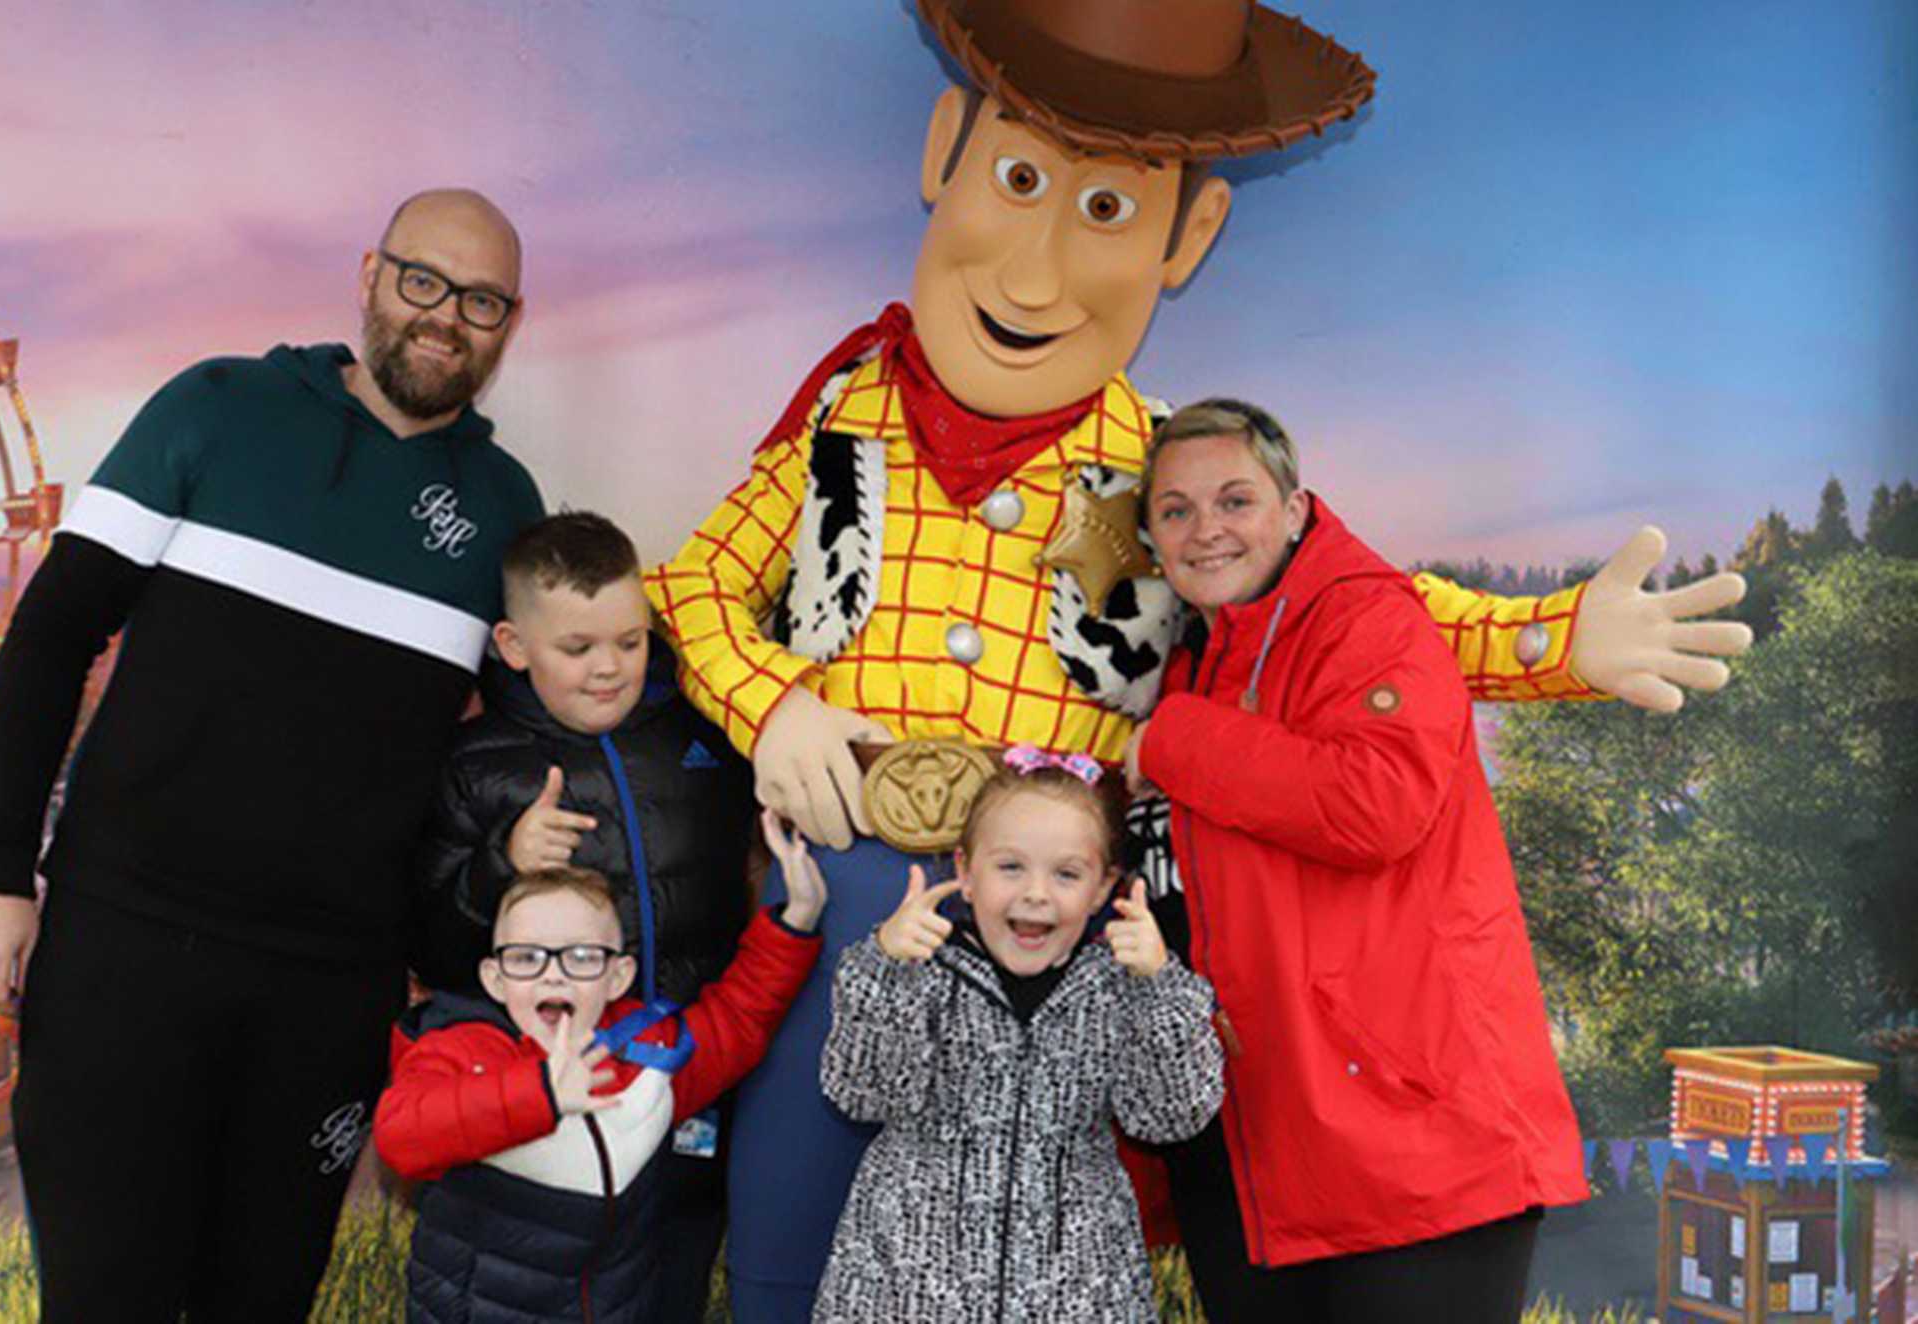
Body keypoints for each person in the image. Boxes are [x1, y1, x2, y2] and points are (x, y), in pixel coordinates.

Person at [642, 4, 1752, 1315]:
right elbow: (698, 582)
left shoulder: (1152, 480)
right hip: (857, 894)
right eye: (1017, 181)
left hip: (1051, 911)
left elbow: (1346, 613)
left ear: (1187, 237)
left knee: (1034, 1241)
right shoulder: (844, 416)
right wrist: (770, 706)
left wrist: (1555, 638)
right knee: (794, 1222)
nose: (1038, 275)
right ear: (945, 149)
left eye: (1106, 210)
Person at [0, 188, 544, 1321]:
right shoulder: (217, 407)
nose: (443, 317)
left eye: (478, 300)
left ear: (509, 322)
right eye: (423, 281)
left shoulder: (505, 510)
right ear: (371, 274)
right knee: (105, 1300)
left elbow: (532, 727)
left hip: (324, 991)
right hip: (120, 946)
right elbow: (50, 635)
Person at [1127, 400, 1590, 1322]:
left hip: (1408, 1147)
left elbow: (1369, 805)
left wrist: (1169, 742)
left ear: (1294, 508)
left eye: (1234, 499)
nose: (1204, 529)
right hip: (1258, 1144)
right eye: (1174, 510)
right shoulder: (1193, 656)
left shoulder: (1365, 618)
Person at [414, 509, 756, 1320]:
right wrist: (503, 864)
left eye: (630, 642)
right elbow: (432, 945)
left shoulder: (702, 737)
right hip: (551, 1113)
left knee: (673, 1281)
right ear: (513, 646)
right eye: (577, 649)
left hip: (687, 1089)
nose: (609, 669)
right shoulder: (476, 767)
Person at [814, 755, 1222, 1324]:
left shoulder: (1120, 984)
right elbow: (861, 1094)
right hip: (907, 1283)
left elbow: (1169, 1117)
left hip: (1078, 1286)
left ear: (1105, 885)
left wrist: (1159, 991)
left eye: (1067, 874)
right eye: (1010, 867)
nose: (1036, 894)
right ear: (965, 869)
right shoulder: (923, 969)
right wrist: (887, 971)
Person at [376, 841, 824, 1324]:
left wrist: (794, 922)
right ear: (494, 978)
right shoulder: (464, 1052)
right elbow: (403, 1133)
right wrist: (540, 1092)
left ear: (618, 976)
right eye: (526, 958)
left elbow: (736, 1019)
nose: (554, 975)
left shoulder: (647, 1052)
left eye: (583, 957)